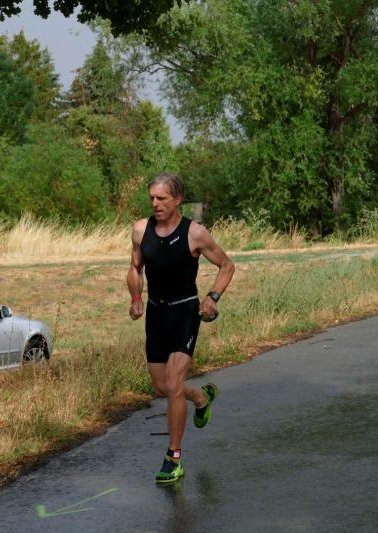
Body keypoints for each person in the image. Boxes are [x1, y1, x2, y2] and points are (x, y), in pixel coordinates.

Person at [128, 173, 235, 483]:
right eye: (152, 198)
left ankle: (173, 457)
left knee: (174, 382)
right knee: (161, 386)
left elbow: (227, 266)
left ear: (177, 200)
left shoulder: (195, 234)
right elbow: (135, 267)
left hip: (185, 311)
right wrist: (136, 297)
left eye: (161, 198)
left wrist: (213, 297)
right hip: (156, 313)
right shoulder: (140, 230)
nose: (155, 203)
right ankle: (201, 398)